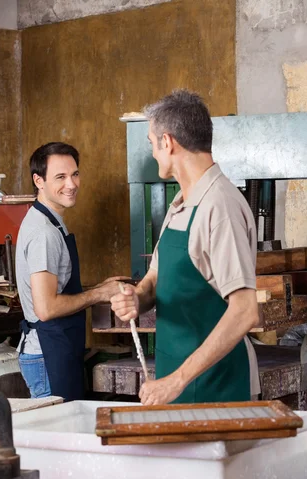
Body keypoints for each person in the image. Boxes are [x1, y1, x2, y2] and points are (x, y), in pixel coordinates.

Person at [111, 90, 261, 406]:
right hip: (178, 388)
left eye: (152, 143)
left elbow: (245, 310)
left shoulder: (219, 206)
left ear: (168, 142)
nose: (152, 153)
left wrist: (176, 381)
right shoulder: (182, 202)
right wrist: (137, 299)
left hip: (217, 391)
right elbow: (155, 277)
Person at [16, 142, 125, 400]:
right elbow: (47, 308)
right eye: (60, 177)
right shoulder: (44, 233)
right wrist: (98, 296)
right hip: (47, 355)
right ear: (38, 181)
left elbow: (56, 290)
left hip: (55, 348)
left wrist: (99, 288)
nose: (72, 184)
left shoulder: (50, 221)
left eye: (75, 174)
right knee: (53, 437)